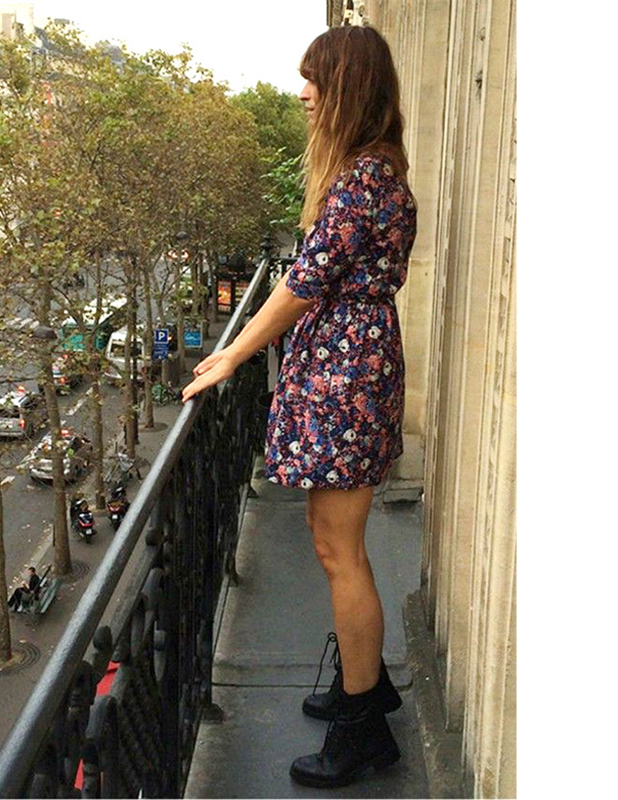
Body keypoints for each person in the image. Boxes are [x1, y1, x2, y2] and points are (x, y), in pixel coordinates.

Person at [181, 25, 416, 789]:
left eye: (315, 79)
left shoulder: (363, 182)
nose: (303, 92)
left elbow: (302, 285)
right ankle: (363, 686)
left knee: (342, 553)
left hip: (347, 374)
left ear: (347, 87)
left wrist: (232, 354)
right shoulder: (368, 173)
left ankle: (363, 728)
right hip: (347, 367)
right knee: (329, 540)